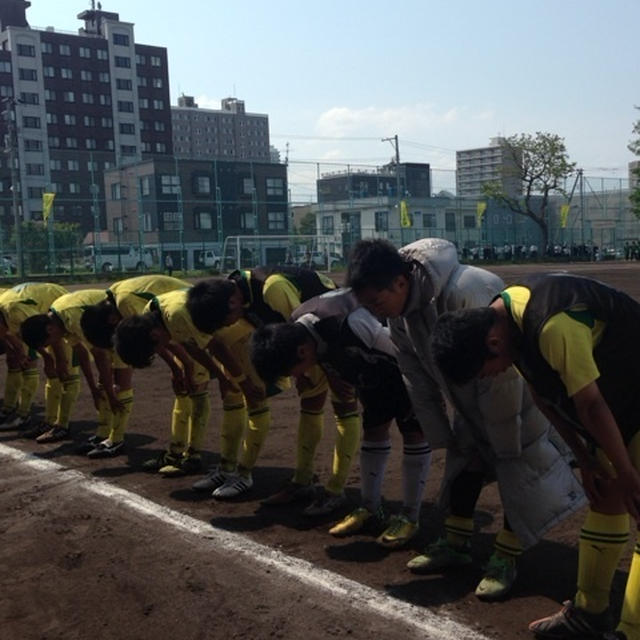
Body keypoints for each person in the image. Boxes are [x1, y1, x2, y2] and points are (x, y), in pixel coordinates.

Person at [346, 238, 585, 601]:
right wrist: (446, 436)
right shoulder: (401, 315)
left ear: (399, 282)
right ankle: (456, 544)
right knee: (464, 463)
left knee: (517, 468)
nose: (379, 313)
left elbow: (504, 375)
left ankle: (506, 557)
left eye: (378, 303)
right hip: (471, 401)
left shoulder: (468, 289)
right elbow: (415, 377)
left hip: (521, 397)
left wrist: (502, 442)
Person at [431, 273, 640, 639]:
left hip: (629, 400)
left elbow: (590, 404)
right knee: (605, 498)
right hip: (616, 404)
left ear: (492, 342)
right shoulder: (507, 323)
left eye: (484, 371)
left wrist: (626, 472)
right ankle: (589, 613)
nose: (490, 376)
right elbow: (544, 396)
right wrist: (586, 460)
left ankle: (631, 630)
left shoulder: (552, 323)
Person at [250, 288, 432, 548]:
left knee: (413, 433)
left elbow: (402, 348)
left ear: (302, 352)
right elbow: (322, 349)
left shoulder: (351, 324)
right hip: (368, 367)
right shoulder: (297, 326)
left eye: (293, 371)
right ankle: (371, 508)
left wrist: (423, 390)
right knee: (373, 429)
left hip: (403, 366)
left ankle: (410, 517)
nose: (295, 377)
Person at [186, 267, 358, 514]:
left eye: (227, 319)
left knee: (344, 406)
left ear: (233, 302)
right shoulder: (234, 291)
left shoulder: (272, 289)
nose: (229, 323)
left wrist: (321, 371)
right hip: (308, 341)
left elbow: (309, 329)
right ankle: (302, 481)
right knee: (310, 405)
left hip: (337, 339)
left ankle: (335, 490)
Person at [79, 275, 192, 462]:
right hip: (178, 318)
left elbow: (156, 335)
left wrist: (178, 367)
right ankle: (178, 451)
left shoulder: (125, 303)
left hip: (186, 319)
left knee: (189, 386)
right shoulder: (116, 298)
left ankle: (184, 454)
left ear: (113, 320)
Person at [21, 289, 107, 445]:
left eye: (48, 343)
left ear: (49, 330)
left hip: (121, 313)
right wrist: (93, 388)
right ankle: (105, 434)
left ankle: (110, 437)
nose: (50, 346)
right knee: (104, 380)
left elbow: (98, 354)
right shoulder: (59, 321)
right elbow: (82, 353)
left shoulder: (72, 320)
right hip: (101, 317)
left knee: (111, 376)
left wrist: (100, 386)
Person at [0, 282, 67, 434]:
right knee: (19, 360)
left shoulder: (15, 311)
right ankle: (11, 410)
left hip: (57, 309)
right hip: (39, 315)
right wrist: (16, 351)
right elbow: (10, 334)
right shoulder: (7, 315)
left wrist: (55, 359)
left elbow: (49, 331)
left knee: (50, 368)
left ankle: (27, 416)